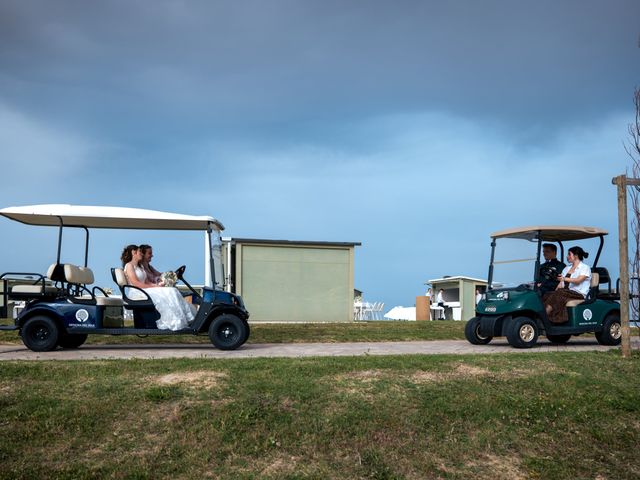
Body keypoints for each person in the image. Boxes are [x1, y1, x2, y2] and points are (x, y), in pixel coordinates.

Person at [121, 245, 195, 330]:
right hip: (137, 291)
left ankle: (184, 318)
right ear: (134, 253)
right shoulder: (129, 266)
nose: (141, 253)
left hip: (144, 289)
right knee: (170, 292)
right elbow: (136, 283)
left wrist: (156, 286)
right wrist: (154, 286)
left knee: (172, 290)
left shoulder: (140, 267)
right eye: (139, 252)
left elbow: (146, 281)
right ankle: (174, 322)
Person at [543, 246, 591, 324]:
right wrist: (554, 292)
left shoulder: (585, 268)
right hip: (567, 292)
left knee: (561, 293)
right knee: (547, 294)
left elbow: (578, 281)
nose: (567, 256)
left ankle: (545, 316)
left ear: (575, 256)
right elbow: (561, 284)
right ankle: (549, 318)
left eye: (569, 254)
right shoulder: (567, 269)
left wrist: (564, 279)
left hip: (579, 294)